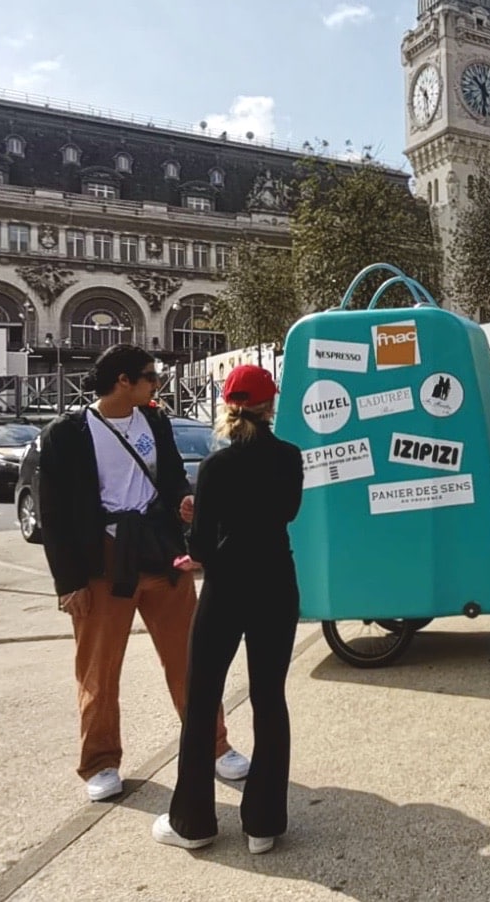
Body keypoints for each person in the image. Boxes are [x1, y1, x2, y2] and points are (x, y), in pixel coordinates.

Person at [38, 344, 249, 802]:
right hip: (103, 560)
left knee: (192, 657)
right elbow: (53, 515)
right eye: (151, 377)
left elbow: (171, 475)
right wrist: (67, 582)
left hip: (159, 552)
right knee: (98, 668)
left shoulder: (154, 420)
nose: (157, 384)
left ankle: (214, 746)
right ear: (123, 381)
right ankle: (100, 763)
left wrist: (182, 502)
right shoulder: (67, 433)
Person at [154, 365, 304, 854]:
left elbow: (200, 548)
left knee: (201, 701)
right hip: (277, 585)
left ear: (227, 405)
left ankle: (193, 824)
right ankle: (263, 824)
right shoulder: (289, 457)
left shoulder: (215, 467)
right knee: (269, 698)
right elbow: (286, 513)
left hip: (226, 589)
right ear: (269, 405)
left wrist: (201, 520)